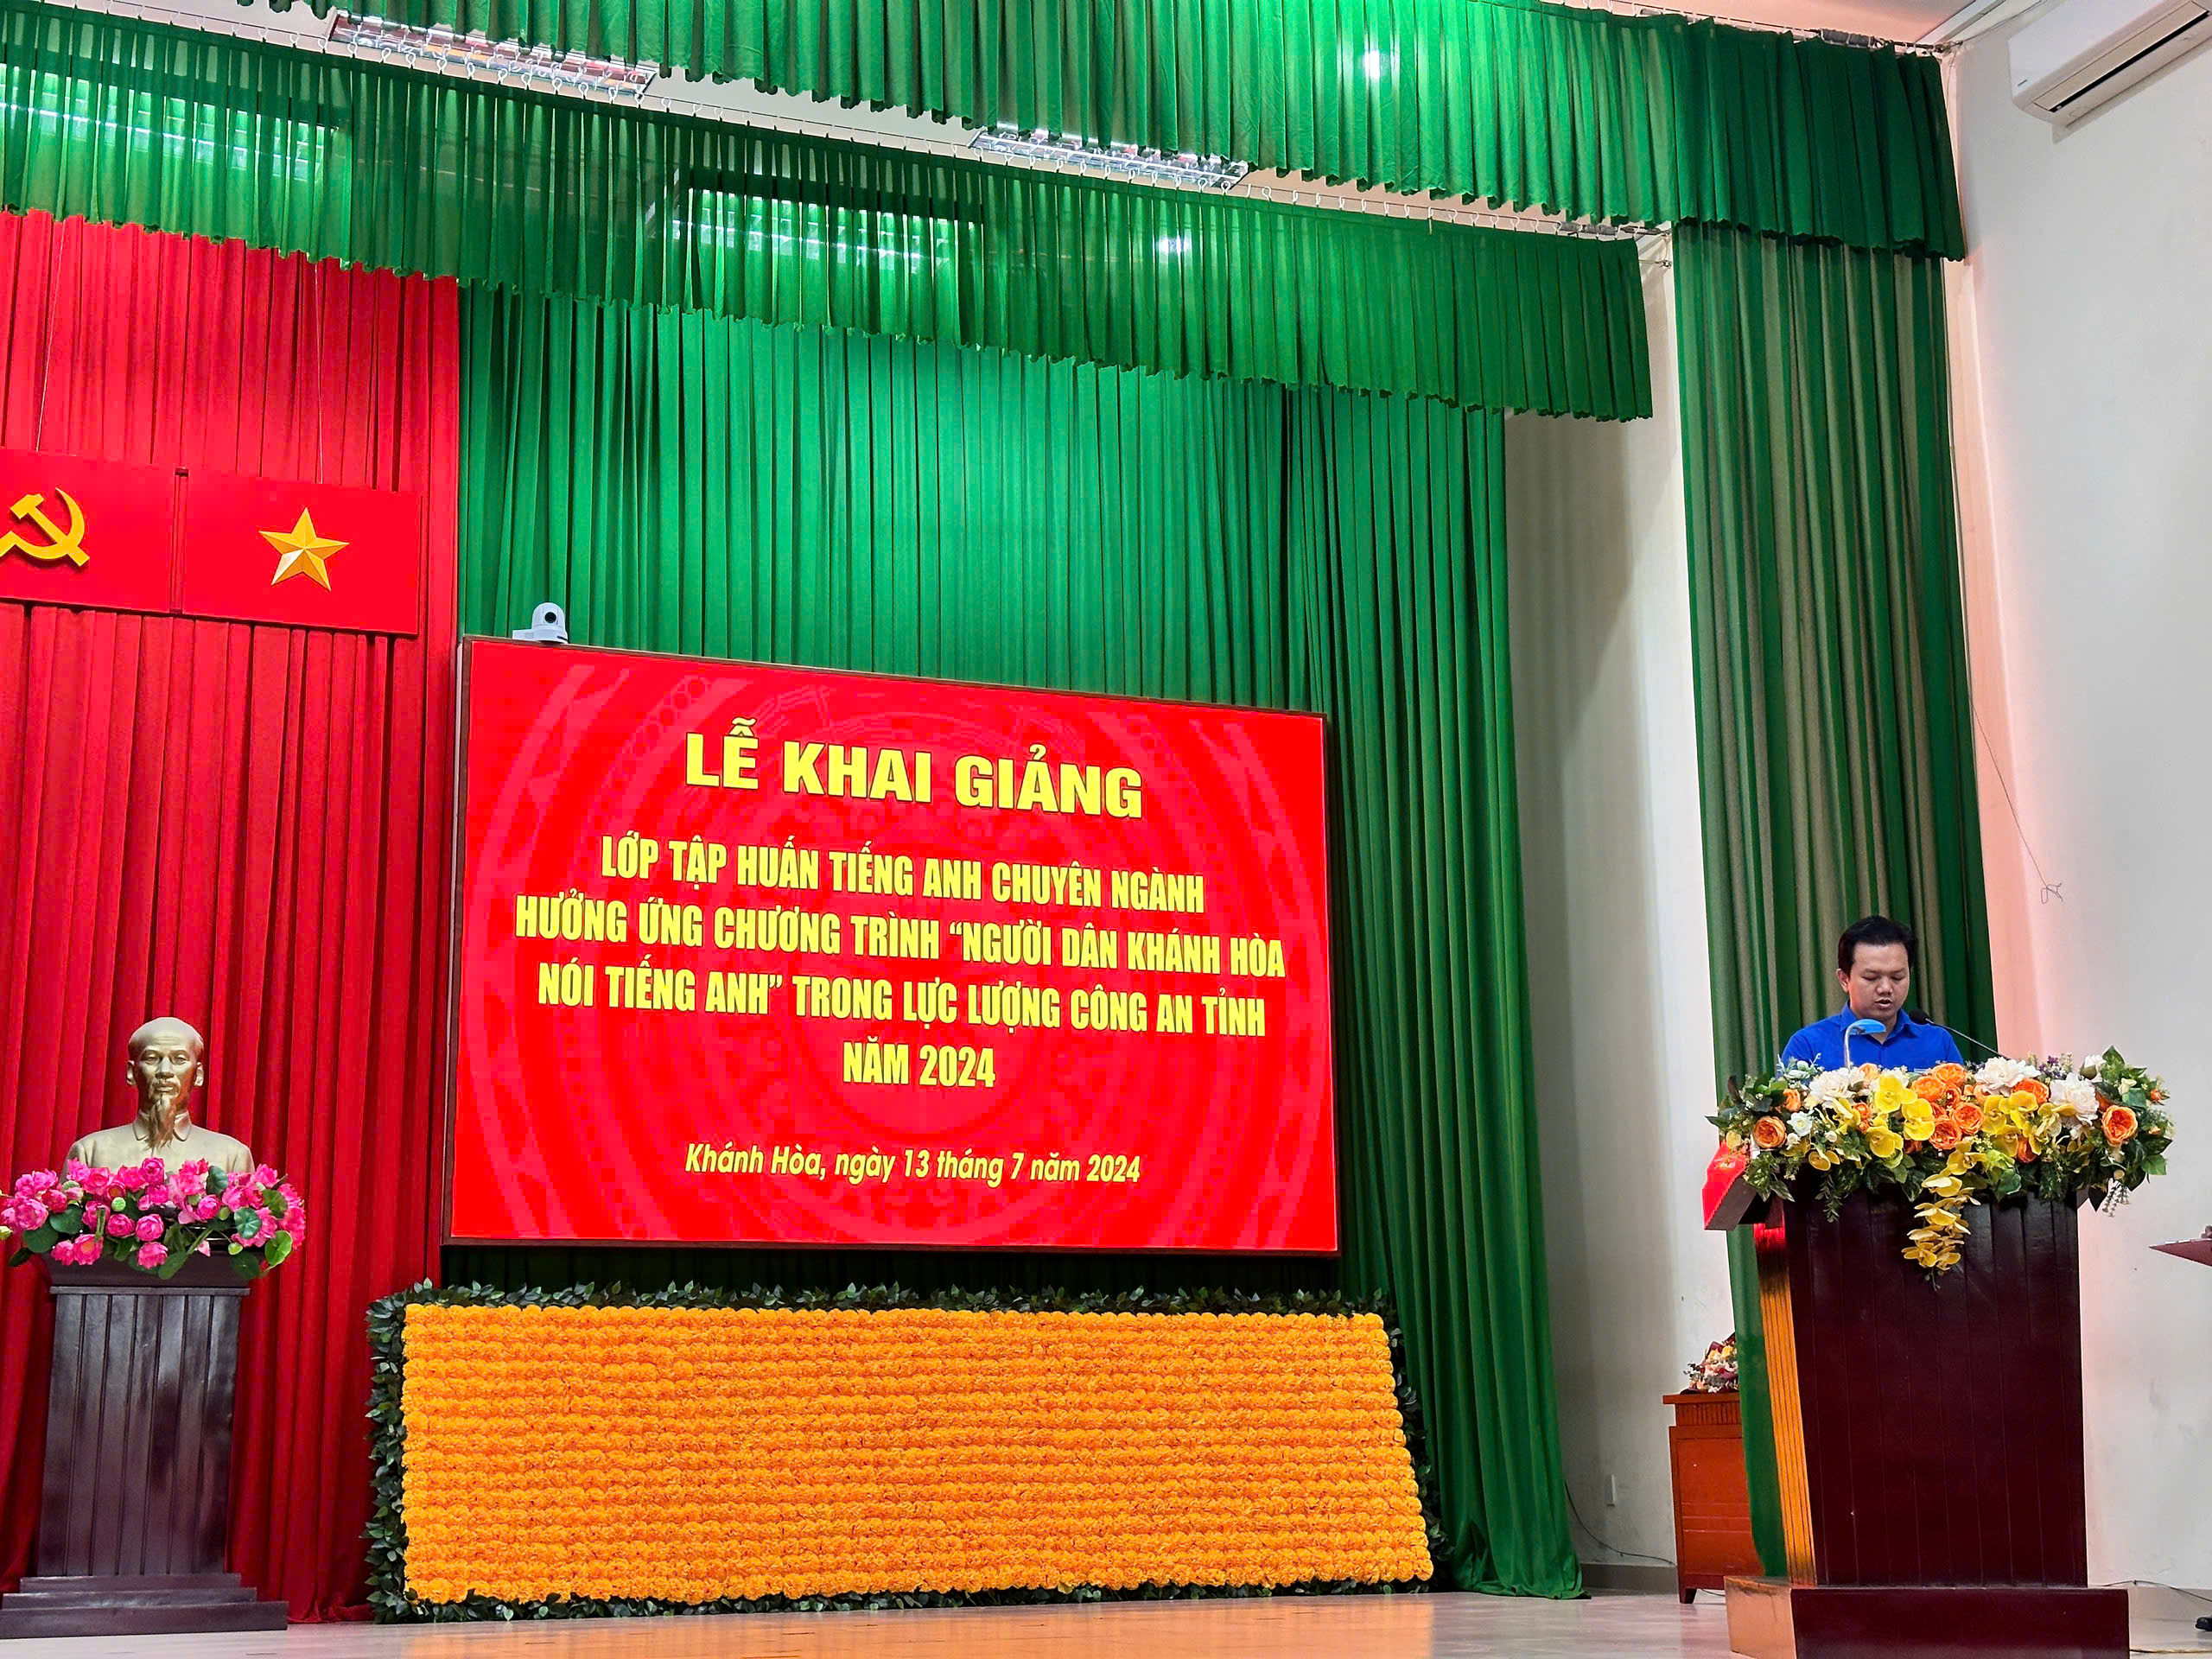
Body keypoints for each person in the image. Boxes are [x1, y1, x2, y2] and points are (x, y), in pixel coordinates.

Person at [66, 1015, 256, 1174]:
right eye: (152, 1059)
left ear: (198, 1075)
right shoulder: (90, 1152)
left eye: (179, 1059)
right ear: (132, 1072)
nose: (165, 1071)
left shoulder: (232, 1156)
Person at [1779, 915, 1963, 1071]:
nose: (1885, 988)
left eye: (1897, 977)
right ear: (1844, 979)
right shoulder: (1808, 1046)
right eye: (1871, 978)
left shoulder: (1937, 1042)